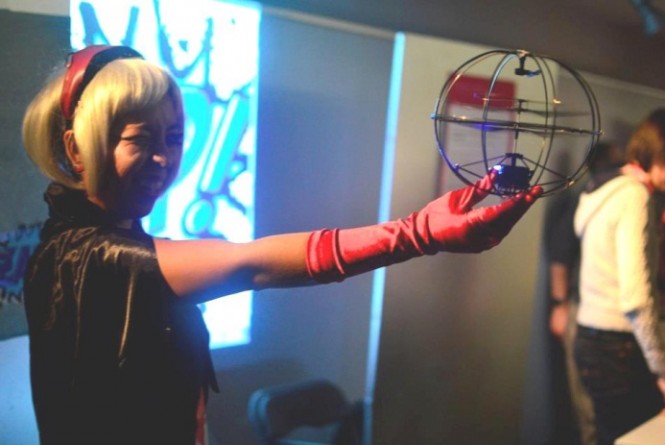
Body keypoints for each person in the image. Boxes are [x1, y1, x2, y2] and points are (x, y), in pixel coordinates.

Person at [21, 45, 541, 445]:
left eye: (174, 138)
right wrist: (418, 233)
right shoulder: (93, 257)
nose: (164, 159)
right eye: (140, 138)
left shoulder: (89, 245)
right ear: (77, 148)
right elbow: (250, 264)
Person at [574, 110, 665, 445]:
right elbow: (636, 298)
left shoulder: (604, 187)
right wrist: (661, 368)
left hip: (590, 339)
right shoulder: (635, 196)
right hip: (618, 348)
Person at [544, 141, 624, 445]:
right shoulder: (585, 198)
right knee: (589, 409)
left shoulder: (599, 197)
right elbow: (560, 255)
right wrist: (560, 306)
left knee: (600, 411)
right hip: (583, 310)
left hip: (600, 312)